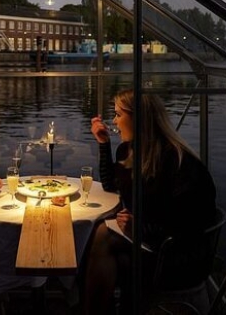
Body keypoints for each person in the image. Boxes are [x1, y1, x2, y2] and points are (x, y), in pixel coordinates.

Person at [82, 89, 217, 314]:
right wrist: (103, 145)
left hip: (175, 254)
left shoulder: (179, 163)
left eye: (118, 114)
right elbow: (112, 184)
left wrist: (141, 230)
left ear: (138, 118)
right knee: (99, 234)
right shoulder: (130, 150)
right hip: (151, 240)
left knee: (101, 239)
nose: (114, 121)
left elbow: (189, 226)